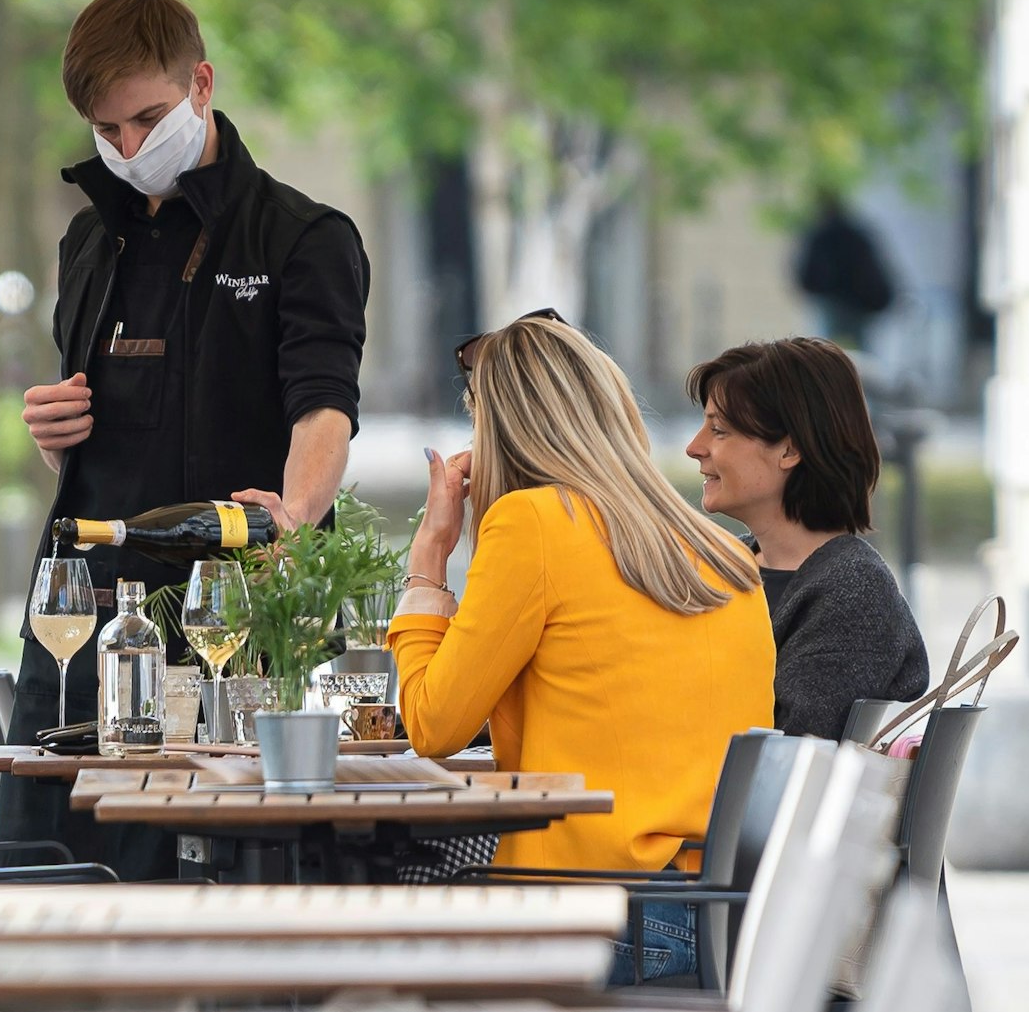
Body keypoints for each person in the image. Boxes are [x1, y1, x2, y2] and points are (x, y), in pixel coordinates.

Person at [2, 0, 369, 878]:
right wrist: (56, 434)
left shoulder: (303, 238)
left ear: (202, 83)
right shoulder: (87, 242)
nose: (127, 147)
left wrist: (294, 511)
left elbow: (323, 405)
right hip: (84, 613)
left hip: (232, 617)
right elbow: (100, 437)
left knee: (212, 892)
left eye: (147, 119)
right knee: (46, 879)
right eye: (107, 131)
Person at [390, 311, 774, 983]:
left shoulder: (533, 522)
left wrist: (429, 561)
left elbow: (431, 724)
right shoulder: (721, 550)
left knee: (378, 922)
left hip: (594, 916)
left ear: (500, 428)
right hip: (711, 918)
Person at [685, 337, 929, 739]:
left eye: (719, 430)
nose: (695, 448)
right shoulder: (726, 566)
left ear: (789, 450)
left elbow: (790, 762)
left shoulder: (853, 593)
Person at [794, 192, 895, 350]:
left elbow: (809, 276)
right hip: (857, 304)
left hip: (836, 303)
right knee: (854, 351)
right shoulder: (856, 233)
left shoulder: (823, 234)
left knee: (824, 351)